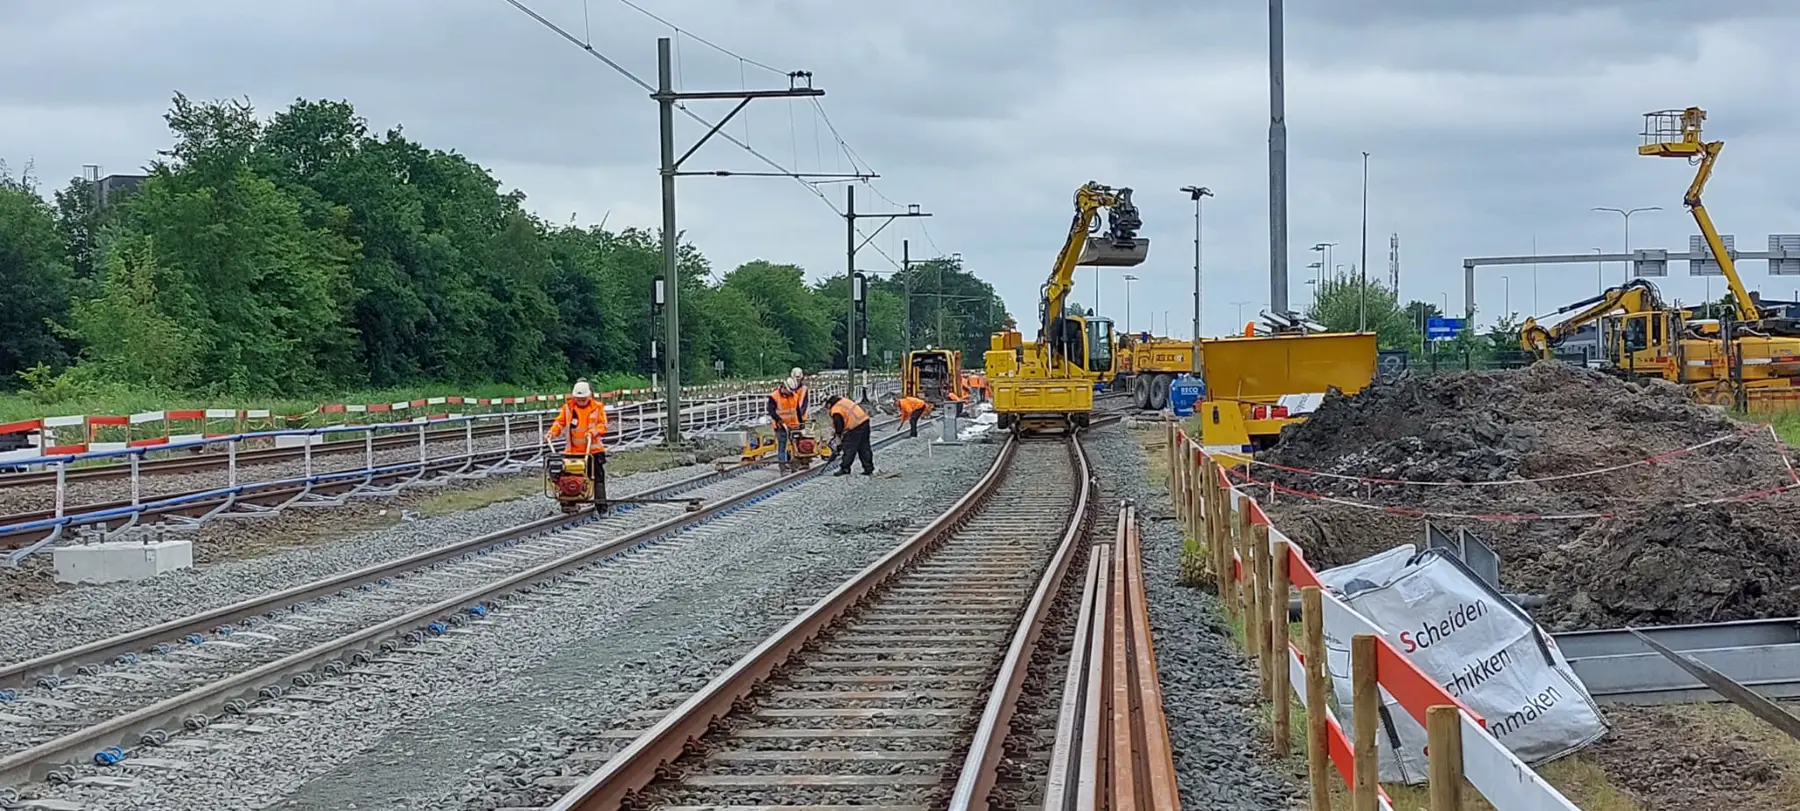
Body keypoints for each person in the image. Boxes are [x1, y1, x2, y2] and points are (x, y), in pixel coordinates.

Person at [545, 379, 609, 508]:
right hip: (573, 452)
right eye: (578, 399)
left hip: (593, 451)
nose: (580, 402)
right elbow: (560, 422)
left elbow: (603, 425)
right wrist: (552, 432)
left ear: (589, 396)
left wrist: (592, 432)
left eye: (583, 399)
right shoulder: (568, 408)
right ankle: (569, 502)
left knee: (597, 478)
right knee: (568, 478)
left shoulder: (597, 408)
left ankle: (601, 506)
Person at [825, 394, 874, 476]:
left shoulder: (836, 409)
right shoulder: (843, 401)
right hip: (864, 422)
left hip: (854, 427)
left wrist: (838, 437)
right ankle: (868, 468)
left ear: (829, 404)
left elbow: (839, 425)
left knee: (849, 448)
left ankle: (845, 468)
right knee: (864, 447)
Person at [767, 375, 807, 462]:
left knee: (796, 444)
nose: (790, 393)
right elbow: (771, 411)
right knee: (782, 445)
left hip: (794, 425)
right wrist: (779, 420)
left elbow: (797, 411)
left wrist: (801, 423)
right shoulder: (774, 396)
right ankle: (783, 464)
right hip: (781, 426)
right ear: (784, 387)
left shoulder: (794, 396)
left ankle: (797, 461)